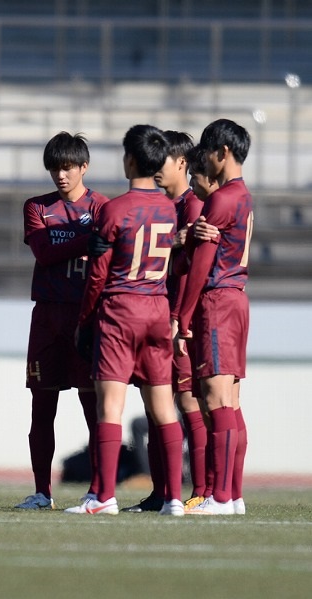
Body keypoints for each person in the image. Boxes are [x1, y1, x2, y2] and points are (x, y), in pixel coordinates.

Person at [66, 124, 184, 516]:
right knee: (163, 408)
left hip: (120, 310)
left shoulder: (114, 209)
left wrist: (85, 321)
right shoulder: (170, 207)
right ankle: (174, 499)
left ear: (129, 159)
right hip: (156, 308)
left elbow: (98, 274)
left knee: (110, 407)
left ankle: (103, 496)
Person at [15, 132, 109, 510]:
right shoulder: (37, 207)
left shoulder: (103, 206)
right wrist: (87, 241)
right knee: (42, 408)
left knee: (95, 408)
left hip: (87, 316)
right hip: (47, 317)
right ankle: (42, 492)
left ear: (84, 167)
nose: (61, 175)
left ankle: (99, 490)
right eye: (54, 167)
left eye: (67, 167)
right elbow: (44, 251)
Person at [122, 130, 204, 513]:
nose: (157, 169)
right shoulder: (160, 207)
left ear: (182, 163)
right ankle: (161, 492)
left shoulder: (191, 206)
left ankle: (202, 492)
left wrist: (179, 318)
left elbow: (190, 269)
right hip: (156, 315)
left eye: (165, 161)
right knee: (159, 406)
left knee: (189, 402)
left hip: (178, 320)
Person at [177, 119, 253, 516]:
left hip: (219, 301)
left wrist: (183, 318)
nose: (203, 159)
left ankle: (219, 497)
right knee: (231, 402)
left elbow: (202, 266)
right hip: (237, 297)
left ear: (222, 152)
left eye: (207, 151)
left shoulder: (220, 200)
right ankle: (233, 495)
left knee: (216, 399)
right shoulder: (243, 196)